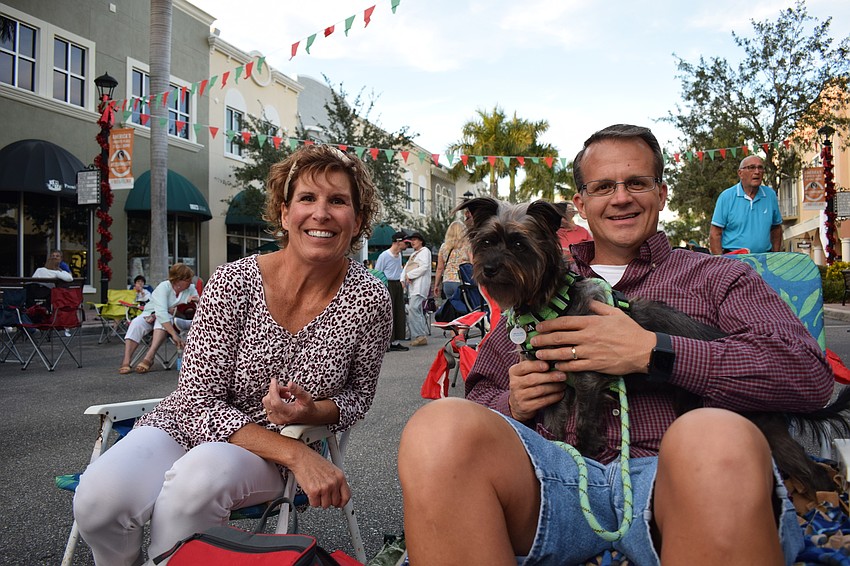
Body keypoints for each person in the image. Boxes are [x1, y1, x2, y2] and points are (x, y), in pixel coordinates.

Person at [398, 124, 832, 565]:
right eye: (604, 186)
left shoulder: (718, 276)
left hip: (674, 480)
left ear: (662, 194)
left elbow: (807, 376)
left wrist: (652, 352)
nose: (621, 197)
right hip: (552, 482)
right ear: (581, 204)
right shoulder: (531, 293)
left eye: (637, 183)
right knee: (439, 427)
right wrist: (514, 402)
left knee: (713, 435)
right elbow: (480, 399)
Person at [74, 144, 393, 565]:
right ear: (284, 213)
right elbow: (198, 399)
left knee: (193, 489)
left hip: (267, 451)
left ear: (358, 219)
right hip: (187, 424)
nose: (321, 213)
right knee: (98, 502)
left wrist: (312, 412)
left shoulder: (369, 299)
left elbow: (358, 396)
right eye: (307, 198)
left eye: (338, 200)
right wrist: (298, 457)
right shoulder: (234, 281)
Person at [117, 263, 199, 375]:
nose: (191, 282)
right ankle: (126, 360)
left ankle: (149, 357)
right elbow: (161, 311)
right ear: (178, 280)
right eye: (188, 279)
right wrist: (174, 335)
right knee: (136, 323)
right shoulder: (164, 287)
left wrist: (193, 302)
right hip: (151, 313)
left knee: (161, 322)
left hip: (173, 319)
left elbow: (195, 309)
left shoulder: (191, 289)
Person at [709, 155, 782, 254]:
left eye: (760, 168)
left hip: (764, 259)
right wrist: (720, 263)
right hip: (734, 260)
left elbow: (776, 228)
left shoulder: (770, 195)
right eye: (751, 167)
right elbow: (715, 234)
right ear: (740, 173)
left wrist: (775, 255)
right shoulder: (726, 197)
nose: (757, 172)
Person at [374, 231, 410, 352]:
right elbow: (377, 272)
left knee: (398, 312)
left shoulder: (399, 256)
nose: (407, 245)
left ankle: (396, 341)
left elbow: (398, 270)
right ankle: (386, 342)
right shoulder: (384, 255)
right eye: (405, 243)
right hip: (387, 283)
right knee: (388, 313)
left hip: (397, 284)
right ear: (398, 242)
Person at [403, 232, 432, 347]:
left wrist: (410, 275)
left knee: (413, 308)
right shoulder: (414, 254)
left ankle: (419, 335)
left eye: (415, 239)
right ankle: (420, 336)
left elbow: (424, 267)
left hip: (419, 285)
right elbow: (406, 267)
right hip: (413, 286)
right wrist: (403, 278)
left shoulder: (425, 251)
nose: (412, 242)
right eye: (411, 240)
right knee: (417, 310)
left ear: (421, 241)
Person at [432, 220, 472, 300]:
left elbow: (440, 268)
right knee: (465, 307)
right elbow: (472, 263)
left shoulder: (444, 247)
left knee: (451, 308)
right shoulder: (468, 246)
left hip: (447, 282)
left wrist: (436, 285)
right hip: (462, 281)